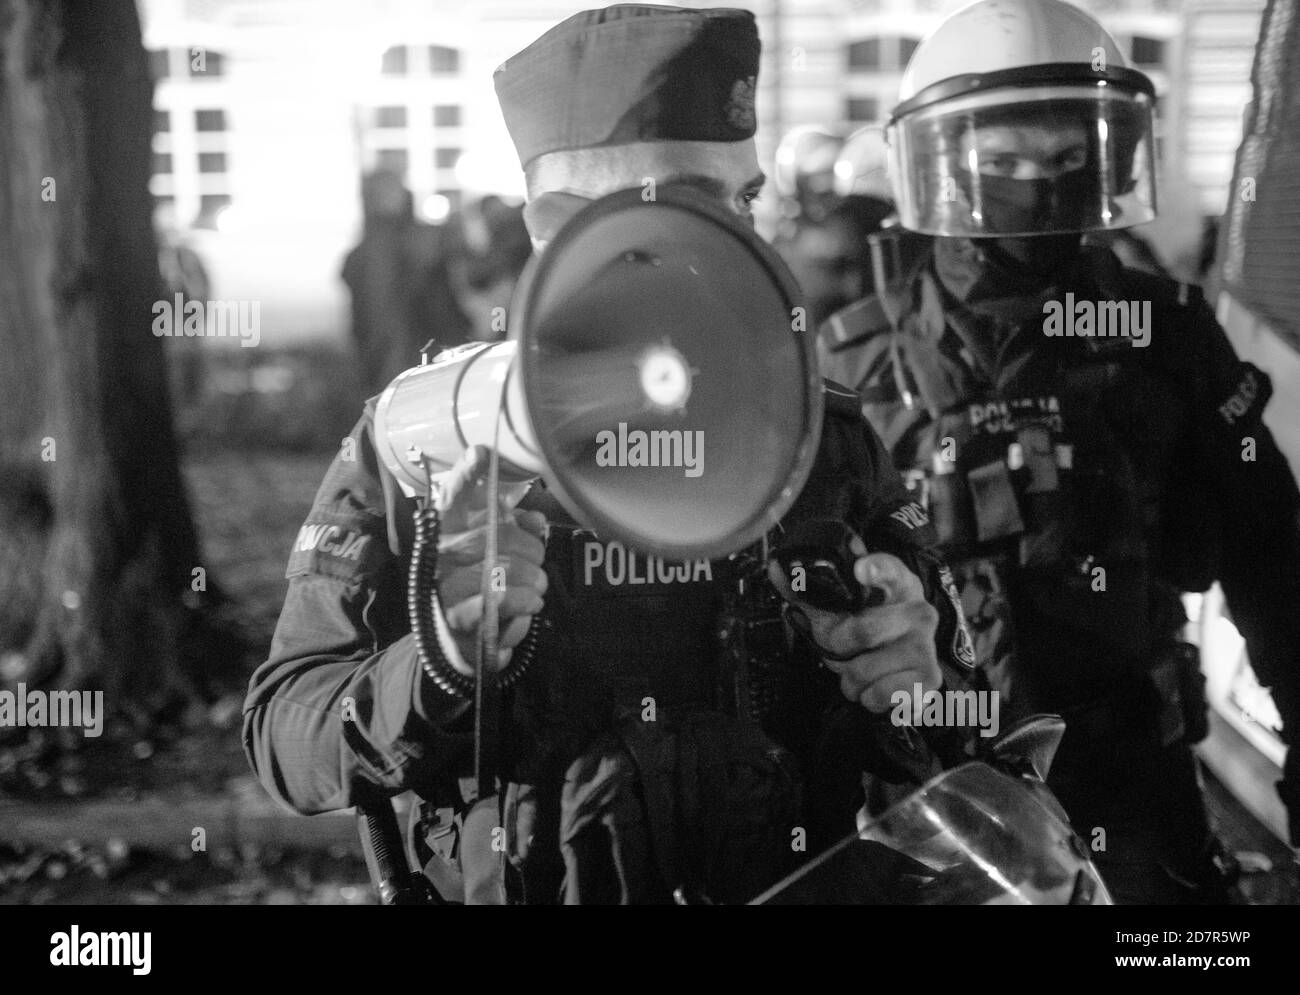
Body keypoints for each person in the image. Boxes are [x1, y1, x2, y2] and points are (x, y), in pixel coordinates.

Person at [244, 4, 980, 905]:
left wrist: (915, 674)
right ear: (554, 226)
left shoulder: (820, 439)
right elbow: (286, 733)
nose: (741, 245)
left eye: (745, 201)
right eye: (684, 206)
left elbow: (958, 713)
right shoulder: (429, 438)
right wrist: (438, 658)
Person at [819, 0, 1300, 903]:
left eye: (1067, 160)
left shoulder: (1168, 336)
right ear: (938, 164)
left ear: (1107, 158)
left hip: (1140, 788)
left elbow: (1276, 559)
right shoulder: (856, 367)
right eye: (1000, 162)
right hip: (925, 799)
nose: (1033, 186)